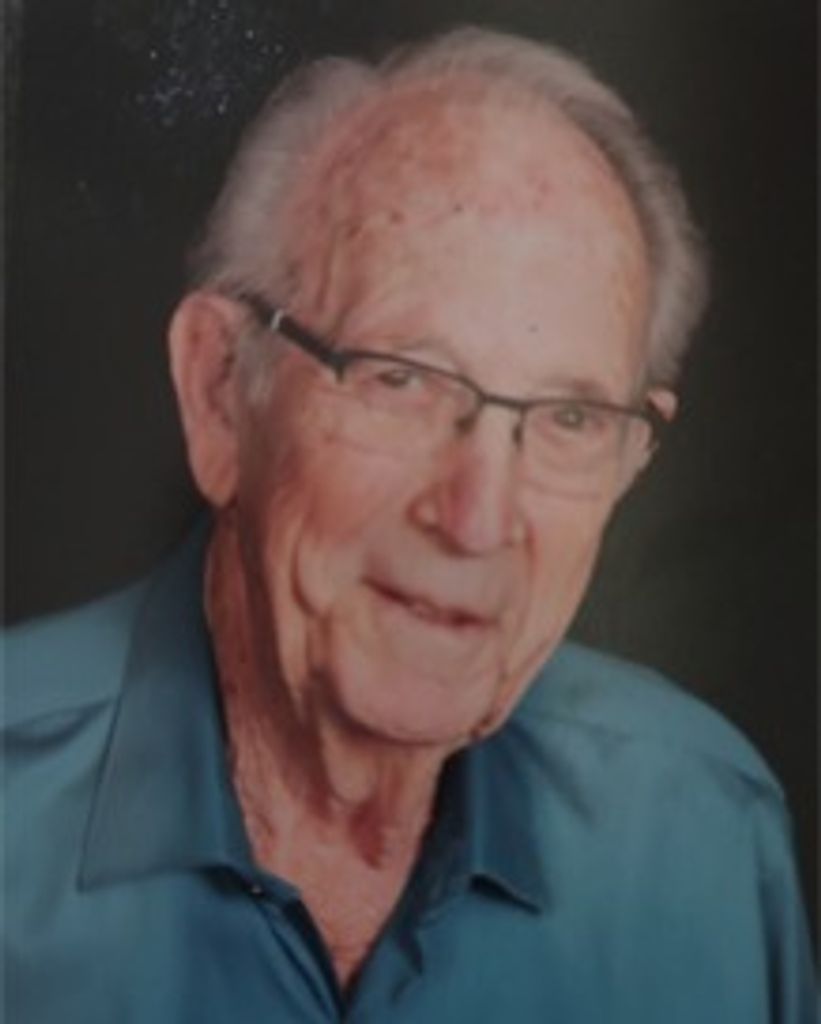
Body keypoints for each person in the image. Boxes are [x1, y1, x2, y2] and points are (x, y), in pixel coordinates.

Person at [4, 25, 815, 1024]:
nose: (477, 521)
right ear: (219, 391)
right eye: (401, 380)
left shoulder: (703, 834)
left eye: (568, 419)